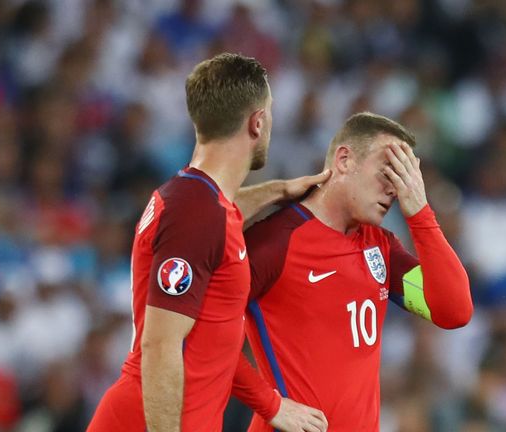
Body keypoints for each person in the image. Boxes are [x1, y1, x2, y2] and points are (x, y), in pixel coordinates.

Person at [88, 53, 329, 432]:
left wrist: (279, 191)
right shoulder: (195, 215)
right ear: (257, 122)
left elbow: (213, 340)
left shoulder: (203, 203)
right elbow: (161, 346)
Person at [231, 112, 474, 431]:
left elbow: (455, 311)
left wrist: (420, 214)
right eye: (388, 172)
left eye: (403, 177)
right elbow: (200, 332)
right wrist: (270, 404)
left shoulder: (382, 247)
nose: (394, 190)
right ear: (344, 160)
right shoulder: (275, 242)